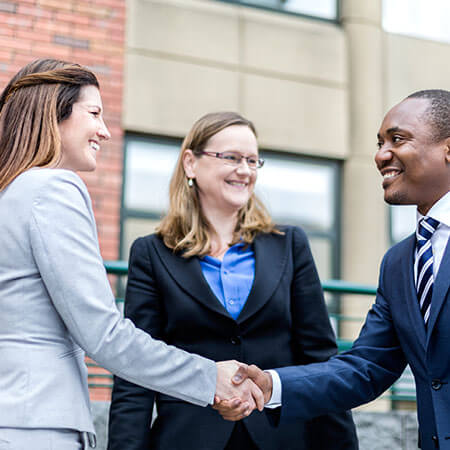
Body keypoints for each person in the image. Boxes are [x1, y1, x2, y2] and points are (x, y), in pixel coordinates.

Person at [0, 59, 263, 450]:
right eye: (94, 114)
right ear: (55, 112)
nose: (105, 131)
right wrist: (210, 377)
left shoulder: (10, 194)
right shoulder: (53, 188)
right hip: (35, 427)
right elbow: (104, 334)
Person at [107, 111, 358, 450]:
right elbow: (135, 372)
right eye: (231, 158)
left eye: (253, 161)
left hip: (283, 438)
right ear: (191, 163)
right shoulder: (152, 254)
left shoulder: (289, 245)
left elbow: (320, 361)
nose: (244, 170)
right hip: (186, 440)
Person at [218, 90, 450, 450]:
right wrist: (271, 385)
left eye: (398, 139)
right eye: (379, 142)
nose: (380, 155)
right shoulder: (399, 262)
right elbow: (366, 367)